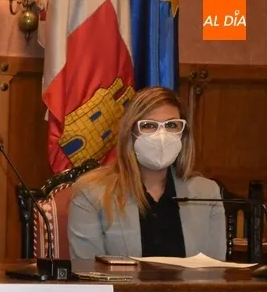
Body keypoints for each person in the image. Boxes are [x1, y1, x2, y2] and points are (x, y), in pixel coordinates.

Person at [67, 86, 225, 260]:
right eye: (149, 125)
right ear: (131, 133)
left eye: (171, 125)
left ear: (183, 134)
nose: (162, 135)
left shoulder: (206, 193)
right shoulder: (92, 193)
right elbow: (88, 269)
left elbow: (215, 269)